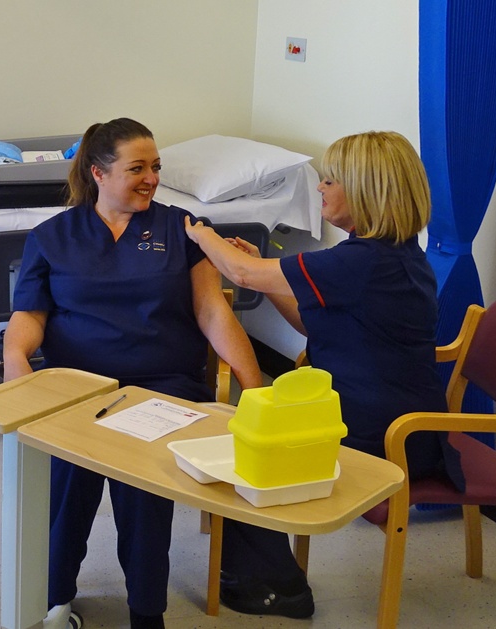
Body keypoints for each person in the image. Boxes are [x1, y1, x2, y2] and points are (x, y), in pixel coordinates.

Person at [183, 130, 464, 619]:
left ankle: (280, 587)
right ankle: (262, 572)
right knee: (238, 435)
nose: (320, 189)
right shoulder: (391, 254)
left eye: (329, 181)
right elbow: (309, 321)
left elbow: (243, 276)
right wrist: (263, 271)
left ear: (365, 190)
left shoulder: (362, 262)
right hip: (388, 413)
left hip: (390, 434)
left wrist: (202, 233)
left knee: (244, 454)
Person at [3, 118, 263, 629]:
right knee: (64, 484)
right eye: (137, 168)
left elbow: (212, 311)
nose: (151, 178)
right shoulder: (52, 237)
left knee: (145, 489)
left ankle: (147, 612)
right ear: (99, 173)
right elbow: (28, 319)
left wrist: (256, 387)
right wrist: (18, 380)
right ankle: (54, 598)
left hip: (161, 387)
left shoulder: (181, 227)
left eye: (156, 167)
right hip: (76, 387)